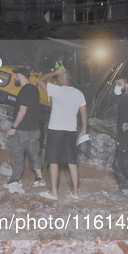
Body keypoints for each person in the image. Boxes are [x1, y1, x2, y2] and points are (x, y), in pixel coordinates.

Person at [36, 65, 87, 200]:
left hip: (56, 130)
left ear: (59, 78)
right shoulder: (79, 93)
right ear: (69, 78)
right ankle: (75, 193)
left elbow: (39, 80)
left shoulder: (56, 90)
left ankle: (54, 193)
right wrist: (84, 130)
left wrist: (53, 71)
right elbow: (84, 113)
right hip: (71, 131)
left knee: (53, 162)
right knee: (72, 162)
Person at [4, 67, 45, 189]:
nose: (14, 77)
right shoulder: (34, 89)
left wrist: (13, 127)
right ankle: (39, 178)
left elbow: (22, 110)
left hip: (23, 130)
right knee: (34, 155)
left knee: (18, 154)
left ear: (21, 75)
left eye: (16, 75)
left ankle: (15, 179)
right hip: (35, 129)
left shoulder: (25, 91)